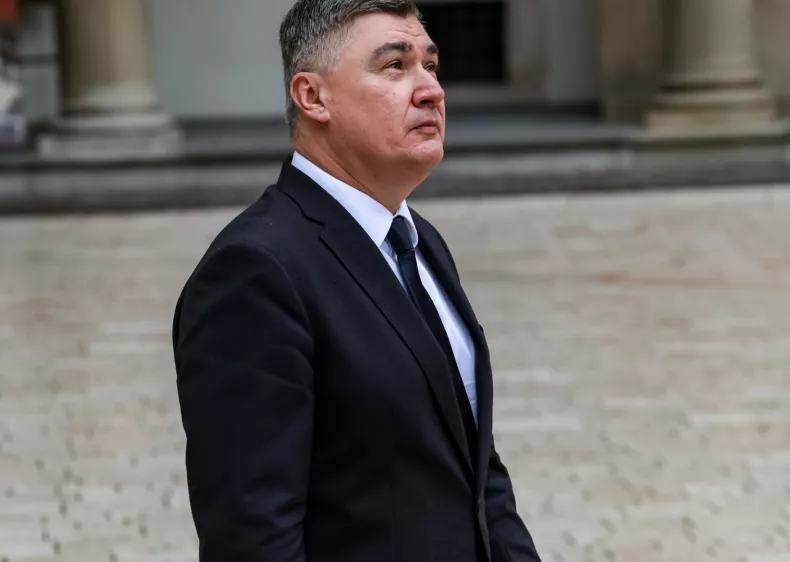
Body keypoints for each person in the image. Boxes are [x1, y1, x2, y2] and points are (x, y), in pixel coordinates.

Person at [171, 1, 541, 561]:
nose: (430, 90)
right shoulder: (256, 272)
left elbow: (477, 475)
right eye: (394, 66)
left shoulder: (420, 241)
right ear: (312, 96)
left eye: (431, 66)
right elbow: (252, 538)